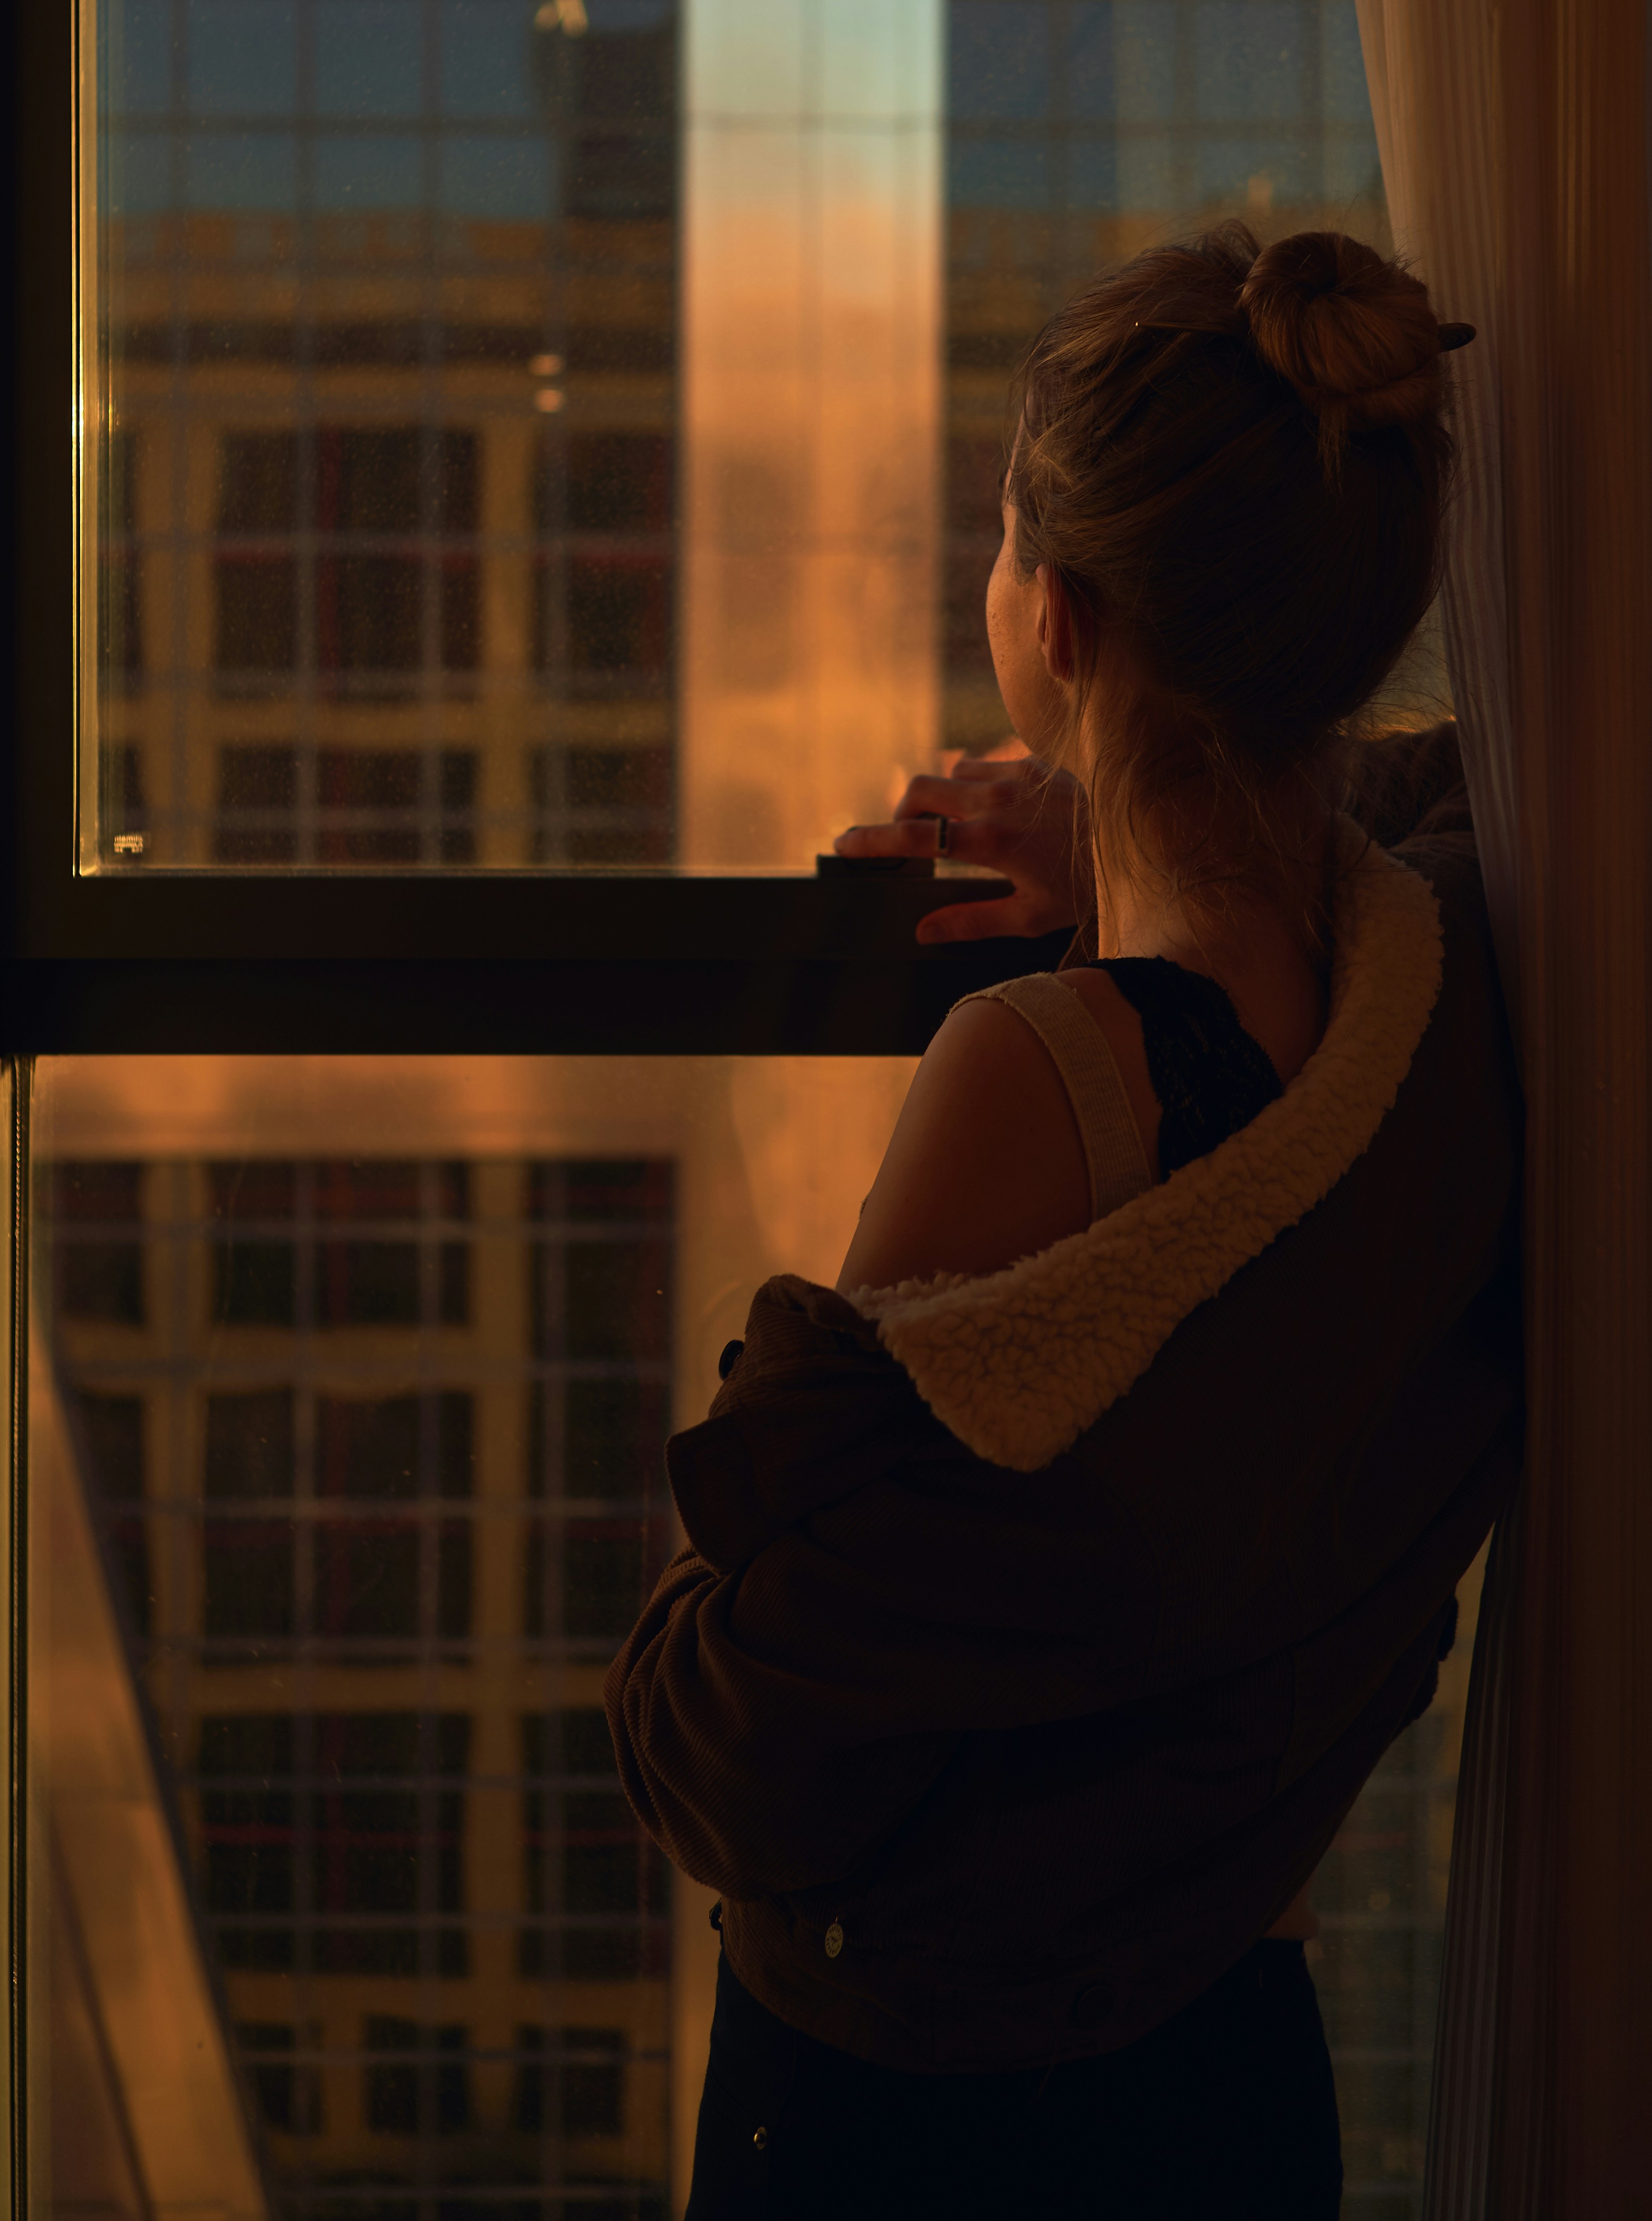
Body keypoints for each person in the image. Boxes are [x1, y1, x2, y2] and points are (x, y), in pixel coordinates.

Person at [605, 224, 1523, 2219]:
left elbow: (730, 1735)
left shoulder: (1039, 1072)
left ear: (1066, 622)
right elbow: (1406, 799)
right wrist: (1122, 817)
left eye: (1007, 538)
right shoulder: (1452, 997)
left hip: (911, 2099)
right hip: (1214, 2057)